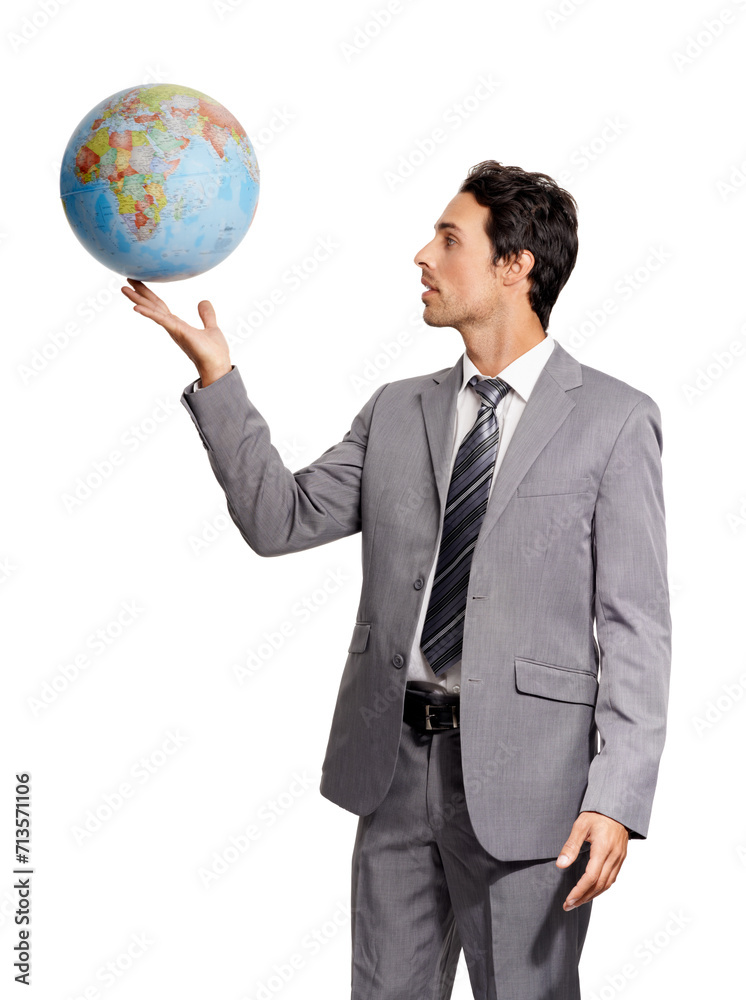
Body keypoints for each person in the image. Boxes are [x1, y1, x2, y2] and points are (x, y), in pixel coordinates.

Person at [121, 159, 672, 1000]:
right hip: (392, 769)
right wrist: (217, 379)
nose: (422, 255)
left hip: (534, 791)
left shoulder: (615, 418)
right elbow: (280, 520)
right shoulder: (396, 408)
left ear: (515, 264)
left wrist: (619, 795)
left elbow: (636, 624)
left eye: (449, 239)